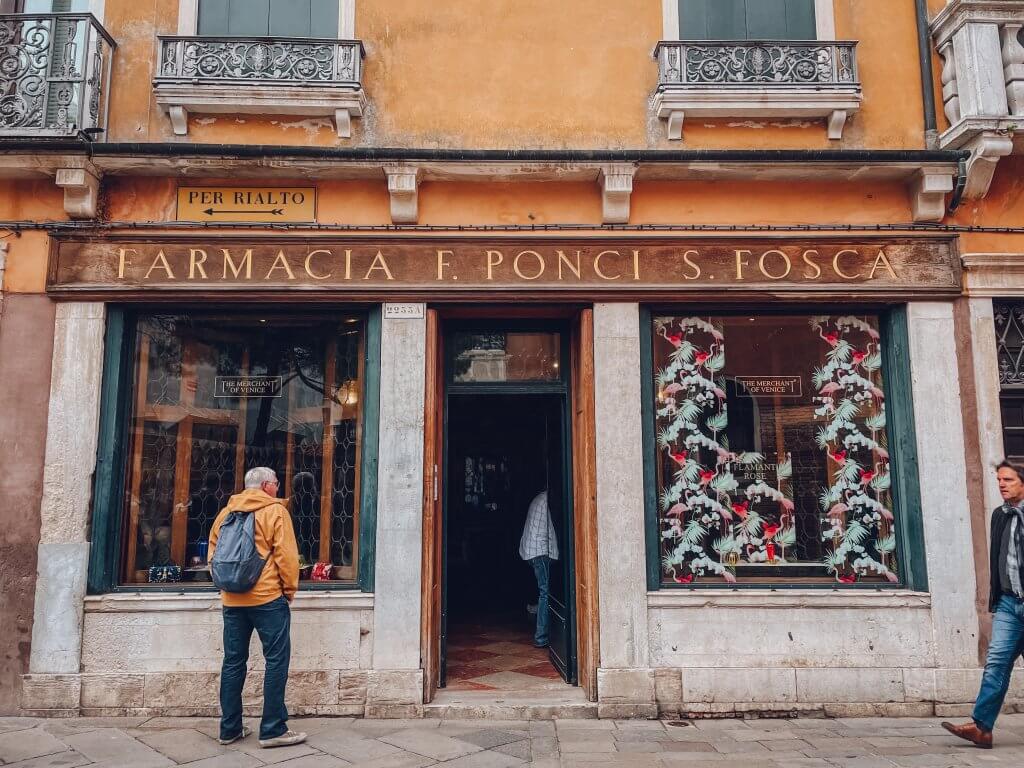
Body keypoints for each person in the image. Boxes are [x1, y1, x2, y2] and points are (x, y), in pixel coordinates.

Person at [208, 467, 306, 749]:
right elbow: (287, 557)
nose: (278, 488)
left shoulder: (226, 513)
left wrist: (226, 586)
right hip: (266, 598)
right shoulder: (275, 512)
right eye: (276, 484)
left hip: (232, 600)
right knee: (276, 660)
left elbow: (213, 555)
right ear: (266, 485)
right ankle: (273, 728)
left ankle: (229, 728)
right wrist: (289, 590)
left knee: (233, 662)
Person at [942, 460, 1024, 750]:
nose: (1001, 484)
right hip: (1008, 604)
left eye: (1008, 480)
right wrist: (997, 596)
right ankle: (982, 728)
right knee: (996, 664)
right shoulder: (1000, 515)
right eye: (999, 479)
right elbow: (998, 557)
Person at [519, 489, 559, 648]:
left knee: (544, 591)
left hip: (531, 550)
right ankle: (541, 637)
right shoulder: (548, 499)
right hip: (540, 551)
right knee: (546, 593)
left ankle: (537, 615)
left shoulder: (539, 498)